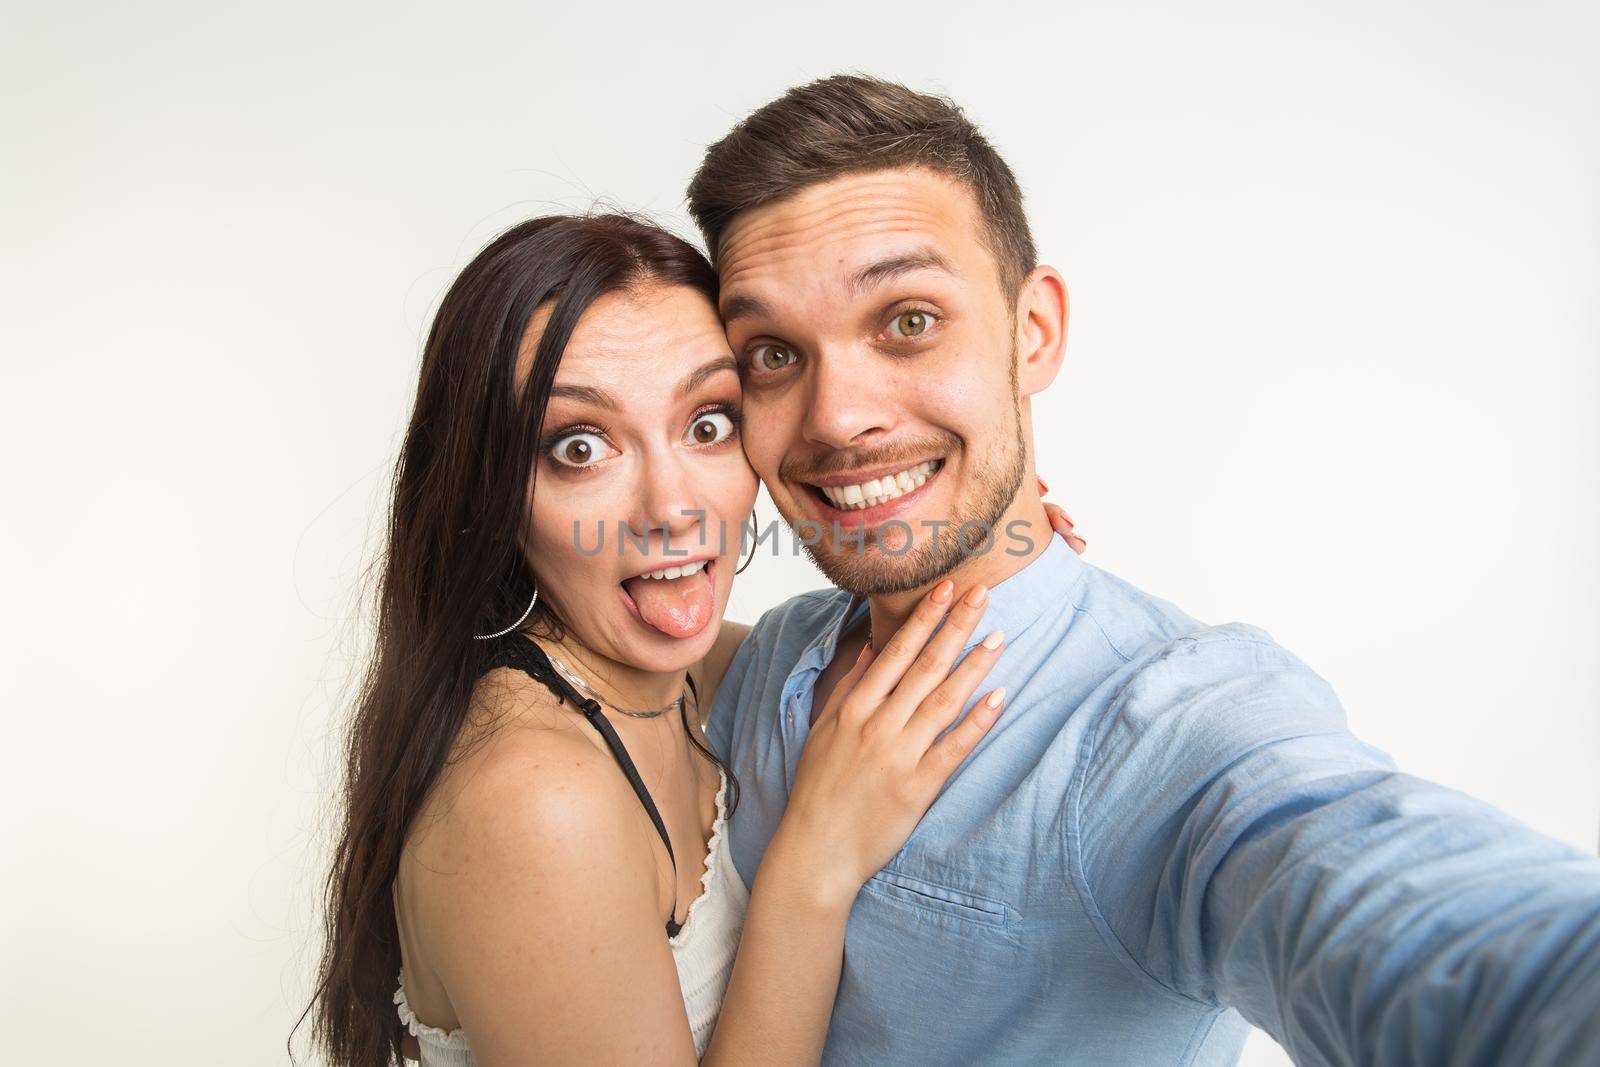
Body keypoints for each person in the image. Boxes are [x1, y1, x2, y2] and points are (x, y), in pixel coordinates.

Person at [688, 74, 1600, 1065]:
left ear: (1031, 331)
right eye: (773, 352)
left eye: (907, 320)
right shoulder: (778, 651)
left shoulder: (1168, 725)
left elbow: (1392, 895)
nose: (835, 417)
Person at [304, 212, 1085, 1066]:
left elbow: (818, 649)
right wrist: (814, 868)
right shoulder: (536, 800)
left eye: (708, 423)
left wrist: (973, 529)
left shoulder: (663, 678)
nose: (673, 507)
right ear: (488, 490)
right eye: (580, 447)